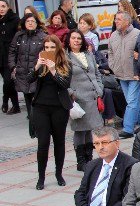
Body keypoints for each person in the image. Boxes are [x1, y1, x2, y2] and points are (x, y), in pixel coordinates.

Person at [30, 35, 72, 190]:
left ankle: (58, 174)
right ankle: (41, 177)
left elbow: (65, 84)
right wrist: (36, 67)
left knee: (59, 142)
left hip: (59, 107)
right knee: (43, 143)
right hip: (41, 106)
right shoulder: (41, 62)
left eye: (52, 47)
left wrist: (54, 70)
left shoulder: (65, 63)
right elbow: (28, 80)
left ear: (58, 48)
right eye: (46, 47)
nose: (49, 50)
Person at [65, 30, 104, 171]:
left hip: (93, 96)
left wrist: (100, 88)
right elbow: (63, 79)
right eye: (73, 38)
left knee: (90, 129)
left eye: (79, 38)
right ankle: (81, 161)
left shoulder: (88, 54)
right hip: (79, 98)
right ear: (68, 40)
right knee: (80, 130)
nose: (76, 41)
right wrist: (71, 93)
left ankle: (89, 158)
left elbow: (97, 73)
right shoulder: (65, 57)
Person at [8, 13, 47, 131]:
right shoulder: (19, 36)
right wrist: (13, 66)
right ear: (24, 23)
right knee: (28, 98)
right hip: (22, 73)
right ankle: (33, 125)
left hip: (37, 73)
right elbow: (12, 52)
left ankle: (38, 124)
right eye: (28, 21)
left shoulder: (42, 36)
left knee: (37, 98)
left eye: (33, 21)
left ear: (37, 23)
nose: (30, 23)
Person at [108, 12, 140, 139]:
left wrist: (139, 69)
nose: (116, 21)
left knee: (132, 102)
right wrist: (112, 65)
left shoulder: (137, 34)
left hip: (134, 74)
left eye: (119, 19)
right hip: (120, 74)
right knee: (131, 101)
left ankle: (128, 129)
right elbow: (110, 52)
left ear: (127, 21)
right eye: (115, 19)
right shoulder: (113, 36)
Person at [0, 0, 20, 115]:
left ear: (8, 7)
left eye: (3, 6)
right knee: (7, 82)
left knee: (8, 81)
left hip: (9, 56)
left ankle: (7, 101)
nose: (1, 9)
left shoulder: (14, 19)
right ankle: (13, 105)